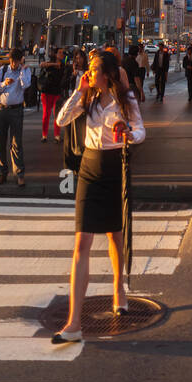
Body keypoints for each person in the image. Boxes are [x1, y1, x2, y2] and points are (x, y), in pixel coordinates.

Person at [52, 49, 146, 344]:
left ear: (107, 75)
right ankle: (74, 321)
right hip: (90, 167)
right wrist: (78, 91)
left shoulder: (125, 99)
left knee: (114, 236)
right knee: (82, 241)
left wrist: (128, 131)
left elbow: (141, 130)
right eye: (89, 70)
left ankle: (119, 287)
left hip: (115, 167)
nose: (89, 73)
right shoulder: (87, 98)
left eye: (93, 70)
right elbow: (61, 120)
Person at [0, 48, 31, 186]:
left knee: (16, 142)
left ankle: (19, 173)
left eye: (17, 61)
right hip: (2, 108)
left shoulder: (25, 70)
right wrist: (4, 83)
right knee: (0, 142)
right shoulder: (2, 70)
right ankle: (1, 173)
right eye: (12, 61)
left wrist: (21, 72)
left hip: (16, 110)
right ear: (10, 60)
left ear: (21, 60)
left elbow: (26, 85)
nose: (14, 64)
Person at [38, 48, 65, 142]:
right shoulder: (50, 63)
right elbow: (41, 64)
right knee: (46, 114)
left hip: (57, 92)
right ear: (55, 54)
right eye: (60, 52)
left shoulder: (63, 64)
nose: (62, 54)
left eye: (63, 53)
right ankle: (44, 135)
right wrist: (52, 64)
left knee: (57, 114)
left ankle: (57, 135)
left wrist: (52, 64)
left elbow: (60, 66)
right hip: (47, 91)